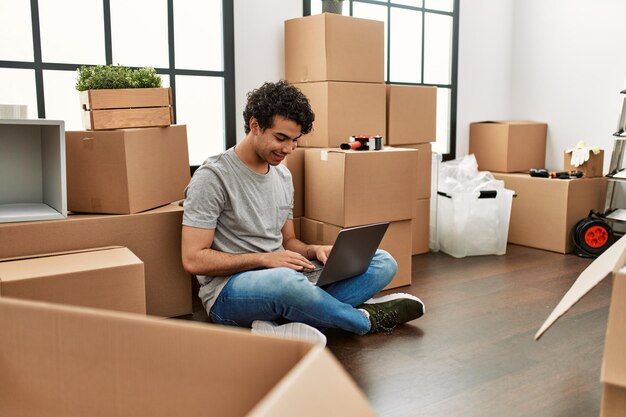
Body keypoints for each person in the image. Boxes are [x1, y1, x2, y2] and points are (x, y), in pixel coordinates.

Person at [181, 80, 424, 346]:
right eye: (281, 138)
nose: (287, 149)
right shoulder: (213, 176)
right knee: (285, 283)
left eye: (295, 141)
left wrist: (315, 250)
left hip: (287, 275)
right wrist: (265, 260)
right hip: (229, 292)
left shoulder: (283, 175)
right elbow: (194, 260)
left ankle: (285, 323)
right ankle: (363, 320)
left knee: (383, 262)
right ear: (255, 125)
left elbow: (290, 242)